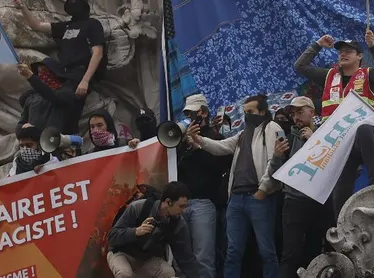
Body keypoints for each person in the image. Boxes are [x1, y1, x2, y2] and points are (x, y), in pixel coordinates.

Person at [187, 93, 286, 278]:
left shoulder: (273, 128)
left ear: (263, 111)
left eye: (251, 111)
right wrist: (199, 140)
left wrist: (263, 190)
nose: (247, 115)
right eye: (245, 111)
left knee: (266, 251)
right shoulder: (242, 134)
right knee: (233, 252)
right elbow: (221, 147)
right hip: (237, 199)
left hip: (259, 197)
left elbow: (278, 159)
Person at [293, 28, 374, 214]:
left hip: (365, 139)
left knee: (365, 128)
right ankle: (342, 230)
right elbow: (300, 66)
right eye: (340, 51)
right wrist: (318, 45)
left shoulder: (369, 76)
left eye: (348, 51)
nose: (342, 54)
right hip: (339, 143)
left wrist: (373, 47)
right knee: (340, 196)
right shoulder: (329, 76)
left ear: (360, 56)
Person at [272, 96, 331, 278]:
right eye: (293, 113)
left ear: (311, 112)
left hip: (319, 200)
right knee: (291, 253)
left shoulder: (326, 133)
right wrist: (277, 156)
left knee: (317, 253)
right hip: (293, 200)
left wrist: (315, 140)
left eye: (299, 112)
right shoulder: (289, 138)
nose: (295, 117)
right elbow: (276, 172)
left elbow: (333, 163)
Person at [14, 0, 106, 104]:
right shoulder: (65, 26)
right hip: (62, 72)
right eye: (71, 3)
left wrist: (85, 81)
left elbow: (98, 53)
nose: (74, 5)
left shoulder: (93, 24)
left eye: (76, 2)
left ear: (84, 5)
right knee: (39, 70)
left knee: (61, 98)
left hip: (80, 73)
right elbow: (36, 25)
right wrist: (22, 7)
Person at [177, 94, 230, 278]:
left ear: (204, 113)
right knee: (181, 258)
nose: (190, 118)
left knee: (203, 258)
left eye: (193, 113)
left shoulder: (216, 136)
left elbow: (218, 167)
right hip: (180, 203)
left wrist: (199, 146)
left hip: (204, 203)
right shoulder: (180, 139)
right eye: (187, 114)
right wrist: (184, 146)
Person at [107, 181, 202, 278]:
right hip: (122, 253)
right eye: (181, 206)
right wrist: (135, 232)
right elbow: (112, 236)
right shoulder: (138, 207)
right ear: (168, 202)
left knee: (167, 273)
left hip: (145, 259)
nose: (184, 211)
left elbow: (185, 257)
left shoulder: (177, 222)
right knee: (125, 274)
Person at [17, 60, 80, 133]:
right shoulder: (31, 97)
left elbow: (52, 96)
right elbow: (21, 122)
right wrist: (22, 131)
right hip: (34, 141)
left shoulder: (66, 93)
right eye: (39, 71)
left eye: (45, 70)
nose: (42, 74)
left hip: (57, 140)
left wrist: (30, 76)